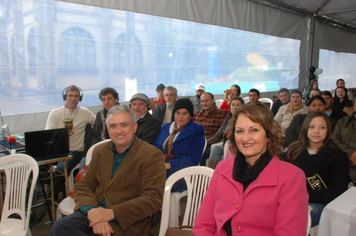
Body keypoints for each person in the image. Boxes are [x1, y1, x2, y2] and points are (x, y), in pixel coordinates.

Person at [49, 105, 166, 236]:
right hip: (94, 211)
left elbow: (152, 199)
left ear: (134, 127)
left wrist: (110, 213)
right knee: (61, 227)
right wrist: (93, 213)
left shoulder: (151, 154)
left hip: (127, 220)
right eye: (113, 126)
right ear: (108, 130)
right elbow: (83, 185)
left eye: (124, 125)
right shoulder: (100, 151)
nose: (118, 131)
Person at [193, 103, 308, 236]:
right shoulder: (223, 168)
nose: (245, 138)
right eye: (240, 131)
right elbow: (203, 223)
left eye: (254, 130)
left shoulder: (291, 177)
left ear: (269, 135)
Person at [287, 111, 349, 227]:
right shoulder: (293, 152)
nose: (316, 131)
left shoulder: (338, 156)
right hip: (290, 199)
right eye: (312, 127)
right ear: (306, 129)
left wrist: (309, 195)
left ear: (328, 131)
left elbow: (338, 192)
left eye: (322, 128)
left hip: (319, 203)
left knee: (296, 219)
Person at [45, 85, 96, 199]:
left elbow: (98, 124)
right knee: (38, 168)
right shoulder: (55, 113)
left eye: (76, 96)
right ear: (65, 97)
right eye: (70, 96)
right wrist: (62, 134)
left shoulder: (85, 112)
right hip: (56, 152)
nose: (73, 98)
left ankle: (52, 197)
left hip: (74, 152)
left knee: (61, 169)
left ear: (80, 98)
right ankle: (60, 190)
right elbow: (48, 135)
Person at [154, 98, 205, 191]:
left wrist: (169, 165)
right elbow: (156, 147)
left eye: (185, 113)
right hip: (159, 168)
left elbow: (194, 159)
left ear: (190, 115)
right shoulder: (166, 127)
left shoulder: (197, 130)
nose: (181, 117)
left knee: (150, 185)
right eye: (178, 113)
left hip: (180, 173)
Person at [207, 97, 244, 168]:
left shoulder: (244, 121)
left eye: (238, 105)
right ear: (230, 107)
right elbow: (217, 136)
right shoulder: (227, 121)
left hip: (238, 148)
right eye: (233, 105)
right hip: (227, 146)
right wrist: (205, 143)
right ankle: (212, 173)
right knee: (215, 148)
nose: (235, 107)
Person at [193, 92, 228, 165]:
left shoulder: (223, 114)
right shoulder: (196, 114)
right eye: (202, 101)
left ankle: (201, 173)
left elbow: (222, 133)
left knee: (201, 153)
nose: (204, 103)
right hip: (195, 142)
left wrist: (205, 143)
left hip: (211, 144)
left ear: (213, 101)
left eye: (206, 100)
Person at [332, 101, 356, 183]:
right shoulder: (343, 122)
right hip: (345, 169)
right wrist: (350, 153)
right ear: (354, 107)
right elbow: (334, 140)